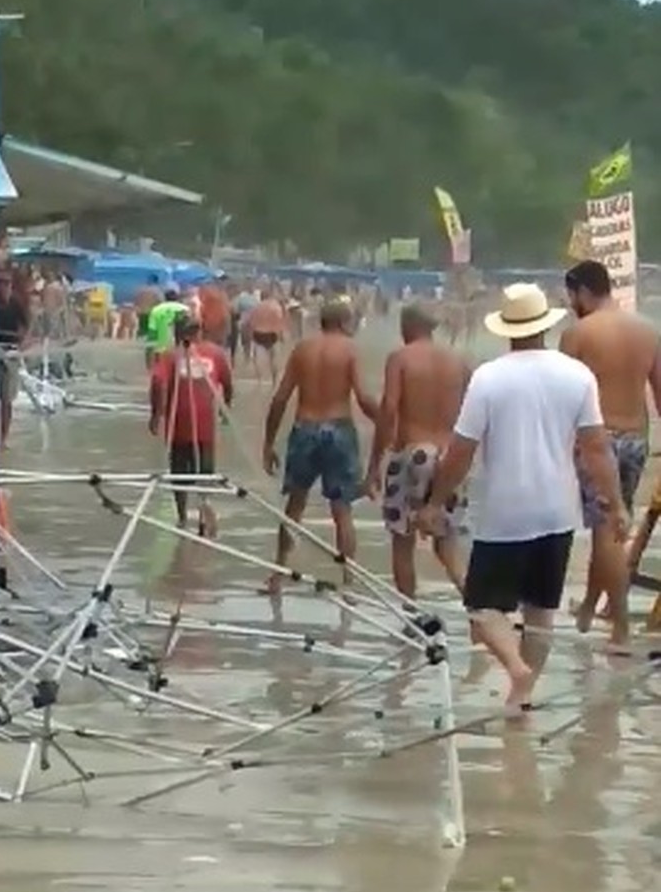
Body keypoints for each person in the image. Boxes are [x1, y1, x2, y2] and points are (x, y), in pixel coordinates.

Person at [417, 284, 625, 715]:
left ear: (507, 329)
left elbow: (461, 450)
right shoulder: (577, 375)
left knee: (480, 606)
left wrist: (436, 501)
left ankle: (515, 669)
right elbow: (597, 448)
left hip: (506, 511)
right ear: (545, 326)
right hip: (558, 510)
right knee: (540, 611)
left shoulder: (489, 378)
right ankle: (521, 698)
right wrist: (617, 504)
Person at [560, 259, 661, 651]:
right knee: (612, 526)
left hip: (596, 441)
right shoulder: (648, 331)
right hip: (636, 438)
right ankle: (588, 606)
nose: (570, 303)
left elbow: (562, 397)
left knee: (606, 533)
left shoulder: (578, 334)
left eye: (571, 295)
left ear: (584, 292)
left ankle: (619, 625)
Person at [261, 301, 377, 594]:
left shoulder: (303, 349)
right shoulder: (350, 350)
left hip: (305, 429)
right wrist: (388, 422)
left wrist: (268, 442)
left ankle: (277, 575)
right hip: (338, 430)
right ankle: (348, 582)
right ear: (345, 322)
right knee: (342, 511)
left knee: (294, 507)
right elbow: (363, 398)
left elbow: (280, 398)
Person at [366, 303, 471, 599]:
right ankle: (477, 608)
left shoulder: (400, 358)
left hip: (413, 453)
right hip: (450, 456)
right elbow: (473, 415)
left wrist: (374, 464)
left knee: (403, 540)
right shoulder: (459, 362)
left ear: (407, 327)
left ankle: (411, 616)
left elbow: (389, 409)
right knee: (447, 543)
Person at [149, 312, 233, 534]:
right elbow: (227, 381)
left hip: (178, 422)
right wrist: (227, 408)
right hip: (205, 423)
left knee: (179, 470)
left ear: (177, 333)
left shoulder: (170, 355)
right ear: (199, 331)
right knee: (205, 470)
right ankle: (204, 509)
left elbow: (158, 382)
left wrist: (156, 414)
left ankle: (183, 516)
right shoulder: (215, 353)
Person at [247, 288, 286, 385]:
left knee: (259, 358)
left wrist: (251, 335)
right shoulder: (275, 306)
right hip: (272, 334)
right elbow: (279, 322)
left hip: (258, 334)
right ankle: (274, 380)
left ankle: (260, 380)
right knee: (273, 358)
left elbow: (251, 322)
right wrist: (281, 336)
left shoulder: (257, 307)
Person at [145, 286, 189, 368]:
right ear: (177, 298)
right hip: (182, 350)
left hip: (162, 350)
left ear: (165, 298)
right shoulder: (186, 309)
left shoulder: (156, 310)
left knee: (162, 375)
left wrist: (148, 353)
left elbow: (152, 332)